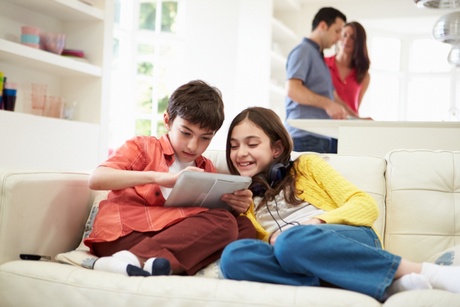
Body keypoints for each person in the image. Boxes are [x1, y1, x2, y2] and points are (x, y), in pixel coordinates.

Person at [219, 106, 460, 302]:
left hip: (347, 239)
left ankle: (427, 272)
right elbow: (261, 248)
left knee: (291, 240)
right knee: (233, 258)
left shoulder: (307, 166)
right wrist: (241, 214)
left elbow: (365, 205)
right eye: (233, 145)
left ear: (277, 148)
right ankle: (373, 285)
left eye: (252, 144)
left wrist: (315, 222)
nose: (240, 153)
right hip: (294, 254)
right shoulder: (241, 198)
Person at [84, 80, 258, 277]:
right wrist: (159, 178)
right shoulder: (143, 147)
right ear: (167, 121)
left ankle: (150, 264)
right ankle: (134, 259)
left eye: (205, 138)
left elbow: (205, 226)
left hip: (167, 237)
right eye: (186, 133)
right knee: (225, 223)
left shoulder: (206, 168)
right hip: (123, 235)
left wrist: (235, 205)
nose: (193, 146)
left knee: (243, 227)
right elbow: (96, 179)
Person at [285, 7, 348, 154]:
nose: (339, 37)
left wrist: (358, 118)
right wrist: (327, 104)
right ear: (323, 26)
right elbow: (293, 90)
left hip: (321, 136)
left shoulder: (318, 57)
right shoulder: (303, 51)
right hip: (306, 136)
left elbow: (333, 97)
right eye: (337, 31)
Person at [325, 21, 370, 118]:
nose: (346, 40)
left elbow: (355, 108)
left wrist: (358, 120)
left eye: (352, 37)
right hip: (324, 124)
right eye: (344, 35)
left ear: (359, 43)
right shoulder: (323, 64)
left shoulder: (364, 76)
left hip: (348, 126)